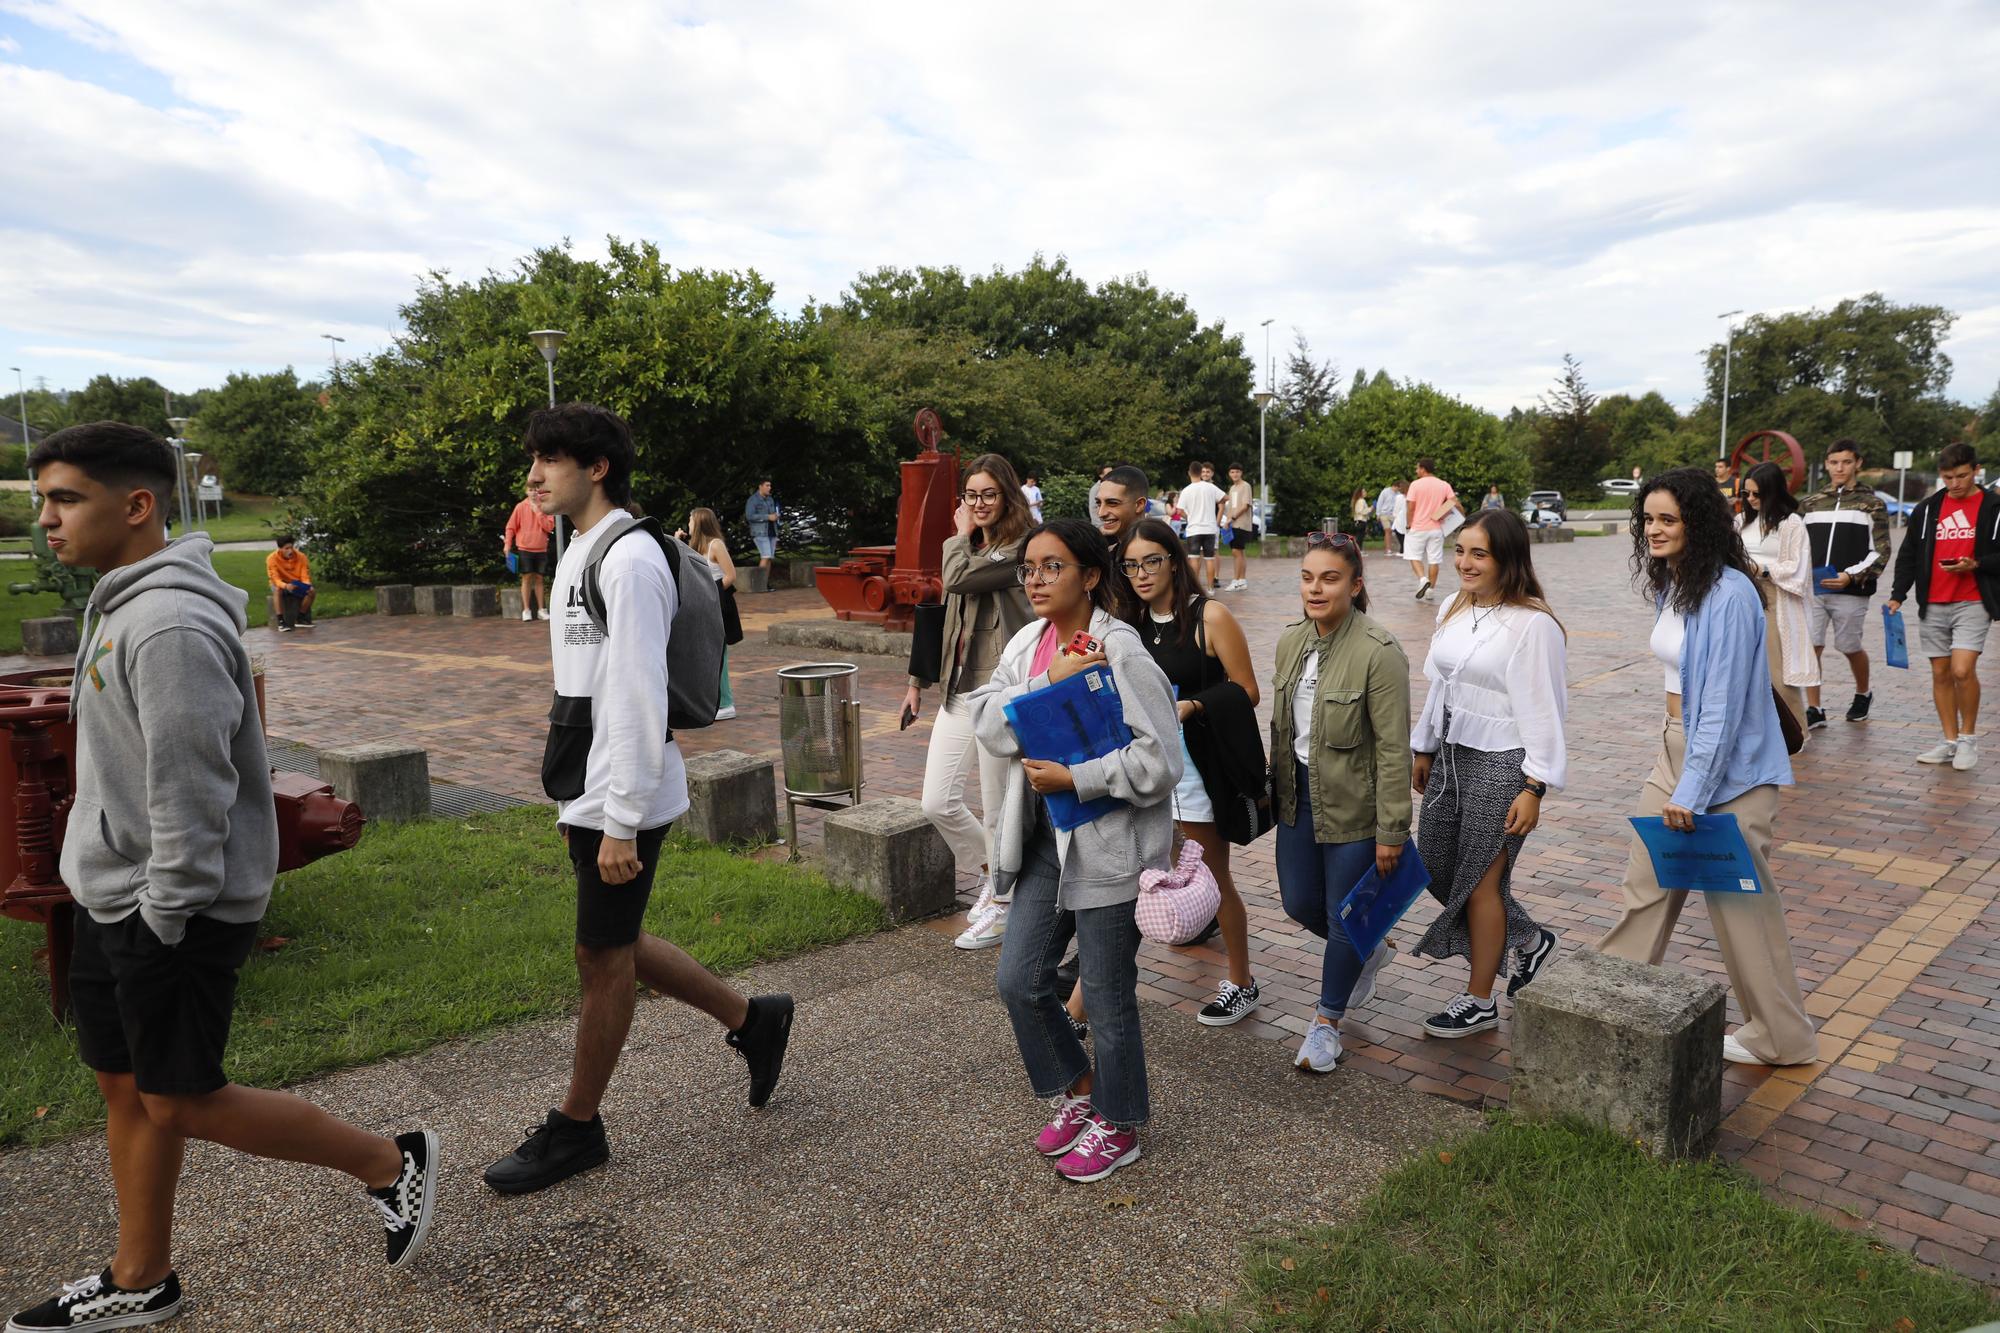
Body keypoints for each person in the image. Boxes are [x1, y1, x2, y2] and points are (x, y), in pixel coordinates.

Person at [9, 424, 439, 1333]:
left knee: (180, 1096)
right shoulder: (122, 602)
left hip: (168, 905)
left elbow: (193, 787)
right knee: (125, 1087)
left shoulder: (167, 624)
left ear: (137, 506)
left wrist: (163, 911)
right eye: (39, 499)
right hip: (110, 890)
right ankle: (141, 1276)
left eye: (64, 498)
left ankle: (386, 1161)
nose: (44, 518)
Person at [485, 404, 794, 1196]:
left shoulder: (627, 559)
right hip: (588, 777)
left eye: (550, 459)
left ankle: (577, 1128)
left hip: (620, 787)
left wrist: (619, 817)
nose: (533, 475)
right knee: (612, 941)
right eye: (534, 459)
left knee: (601, 953)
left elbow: (635, 692)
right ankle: (753, 1019)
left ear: (596, 467)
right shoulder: (580, 548)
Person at [967, 517, 1179, 1183]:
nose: (1034, 578)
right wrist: (1046, 681)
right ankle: (1084, 1090)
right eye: (1029, 567)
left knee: (1109, 996)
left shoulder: (1122, 651)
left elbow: (1162, 759)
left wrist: (1078, 778)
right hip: (1040, 840)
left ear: (1090, 575)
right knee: (1020, 980)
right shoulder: (1031, 643)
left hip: (1107, 847)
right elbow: (985, 720)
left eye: (1052, 566)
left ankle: (1120, 1123)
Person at [1597, 467, 1817, 1067]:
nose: (1655, 529)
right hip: (1677, 751)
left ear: (1699, 522)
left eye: (1668, 519)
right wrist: (1680, 773)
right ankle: (1603, 1005)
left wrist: (1692, 791)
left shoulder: (1729, 592)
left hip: (1734, 771)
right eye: (1648, 519)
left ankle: (1781, 1039)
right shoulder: (1680, 584)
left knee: (1743, 911)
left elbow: (1718, 707)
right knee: (1644, 886)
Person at [1408, 510, 1567, 1038]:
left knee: (1481, 880)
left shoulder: (1533, 623)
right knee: (1432, 861)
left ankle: (1479, 1001)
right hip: (1453, 750)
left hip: (1505, 759)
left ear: (1507, 558)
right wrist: (1425, 746)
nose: (1464, 563)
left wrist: (1534, 785)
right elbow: (1441, 686)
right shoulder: (1455, 606)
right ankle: (1528, 939)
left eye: (1479, 554)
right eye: (1460, 551)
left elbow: (1546, 707)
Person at [1269, 531, 1412, 1072]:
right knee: (1298, 904)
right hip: (1298, 796)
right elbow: (1284, 730)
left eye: (1329, 578)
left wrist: (1392, 830)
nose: (1315, 588)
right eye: (1307, 577)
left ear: (1355, 585)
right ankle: (1367, 948)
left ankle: (1326, 1023)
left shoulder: (1379, 652)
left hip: (1356, 805)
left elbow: (1395, 748)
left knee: (1343, 913)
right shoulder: (1290, 642)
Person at [1117, 519, 1266, 1025]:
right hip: (1146, 770)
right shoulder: (1129, 625)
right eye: (1131, 564)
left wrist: (1195, 706)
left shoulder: (1210, 616)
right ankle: (1091, 992)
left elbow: (1247, 689)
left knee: (1213, 875)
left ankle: (1243, 982)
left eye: (1151, 561)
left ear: (1175, 562)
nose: (1141, 573)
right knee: (1143, 873)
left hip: (1197, 771)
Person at [901, 454, 1035, 951]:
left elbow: (959, 578)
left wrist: (955, 536)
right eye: (971, 495)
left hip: (999, 694)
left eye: (988, 495)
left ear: (1008, 496)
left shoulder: (1021, 548)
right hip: (958, 690)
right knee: (937, 800)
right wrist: (918, 679)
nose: (978, 505)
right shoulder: (969, 546)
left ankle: (1001, 903)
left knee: (1000, 809)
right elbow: (942, 610)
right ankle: (996, 877)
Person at [1887, 441, 2000, 772]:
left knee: (1962, 670)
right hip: (1933, 600)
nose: (1956, 484)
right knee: (1940, 672)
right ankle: (1949, 741)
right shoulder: (1927, 509)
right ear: (1941, 475)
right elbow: (1908, 554)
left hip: (1973, 599)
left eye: (1962, 476)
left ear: (1976, 470)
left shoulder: (1994, 507)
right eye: (1949, 477)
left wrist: (1976, 564)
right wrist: (1898, 593)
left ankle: (1968, 738)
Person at [1800, 440, 1891, 728]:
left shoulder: (1872, 504)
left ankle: (1863, 693)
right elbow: (1798, 546)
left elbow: (1880, 550)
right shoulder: (1811, 504)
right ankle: (1814, 708)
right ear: (1826, 464)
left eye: (1846, 462)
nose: (1839, 468)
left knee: (1849, 645)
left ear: (1857, 463)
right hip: (1813, 589)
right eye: (1834, 462)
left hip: (1851, 590)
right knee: (1811, 646)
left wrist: (1850, 576)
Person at [1737, 462, 1819, 732]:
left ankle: (1794, 732)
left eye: (1756, 494)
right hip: (1742, 596)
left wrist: (1763, 569)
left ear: (1772, 492)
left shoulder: (1791, 524)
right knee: (1741, 665)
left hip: (1776, 599)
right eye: (1746, 494)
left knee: (1778, 670)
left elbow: (1799, 567)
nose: (1750, 500)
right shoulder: (1741, 521)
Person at [680, 508, 742, 721]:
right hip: (704, 607)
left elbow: (730, 575)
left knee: (719, 655)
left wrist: (711, 593)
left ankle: (726, 702)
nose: (688, 523)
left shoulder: (716, 544)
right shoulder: (695, 547)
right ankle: (713, 700)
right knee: (707, 656)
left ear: (699, 522)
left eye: (690, 519)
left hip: (719, 605)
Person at [504, 481, 556, 621]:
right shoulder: (520, 507)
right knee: (526, 578)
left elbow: (549, 527)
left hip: (541, 548)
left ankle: (541, 609)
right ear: (526, 491)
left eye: (536, 489)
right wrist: (507, 545)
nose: (533, 492)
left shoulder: (545, 506)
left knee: (540, 578)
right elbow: (510, 527)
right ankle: (526, 610)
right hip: (524, 548)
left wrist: (538, 512)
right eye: (530, 489)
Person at [1404, 458, 1456, 600]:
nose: (1416, 471)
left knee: (1413, 556)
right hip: (1436, 528)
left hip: (1418, 527)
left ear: (1423, 468)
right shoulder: (1443, 484)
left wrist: (1409, 524)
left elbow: (1411, 508)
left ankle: (1422, 579)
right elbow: (1453, 501)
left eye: (1417, 468)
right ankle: (1430, 591)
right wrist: (1439, 514)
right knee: (1434, 559)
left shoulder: (1415, 485)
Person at [1178, 460, 1225, 591]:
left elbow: (1179, 511)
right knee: (1210, 558)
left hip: (1194, 529)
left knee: (1194, 558)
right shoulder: (1210, 487)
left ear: (1189, 473)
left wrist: (1189, 517)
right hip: (1210, 528)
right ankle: (1210, 588)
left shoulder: (1186, 490)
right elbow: (1225, 497)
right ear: (1200, 472)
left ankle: (1194, 588)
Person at [264, 534, 315, 632]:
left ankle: (301, 617)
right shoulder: (271, 558)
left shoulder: (301, 557)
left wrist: (307, 586)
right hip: (281, 584)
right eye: (286, 548)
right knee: (277, 589)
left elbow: (305, 576)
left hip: (296, 583)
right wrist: (286, 586)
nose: (290, 551)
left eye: (291, 548)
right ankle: (281, 621)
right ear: (280, 549)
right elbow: (275, 579)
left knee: (312, 591)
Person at [1095, 465, 1149, 546]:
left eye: (1112, 503)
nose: (1101, 513)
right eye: (1098, 503)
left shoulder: (1159, 548)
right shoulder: (1103, 550)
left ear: (1139, 505)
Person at [1225, 463, 1255, 591]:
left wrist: (1232, 518)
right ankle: (1242, 581)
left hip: (1241, 524)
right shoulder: (1232, 488)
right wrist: (1227, 521)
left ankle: (1236, 581)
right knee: (1239, 552)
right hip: (1233, 524)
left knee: (1236, 552)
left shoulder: (1245, 486)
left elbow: (1245, 505)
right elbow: (1231, 507)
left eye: (1237, 471)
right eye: (1232, 472)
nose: (1234, 474)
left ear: (1241, 473)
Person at [744, 479, 779, 577]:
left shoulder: (770, 499)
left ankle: (765, 583)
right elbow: (749, 516)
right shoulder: (753, 500)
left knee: (769, 558)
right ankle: (758, 582)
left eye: (770, 485)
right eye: (767, 485)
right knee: (766, 556)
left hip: (772, 531)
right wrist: (768, 517)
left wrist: (775, 516)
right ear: (760, 486)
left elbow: (772, 514)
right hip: (760, 532)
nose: (769, 488)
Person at [1375, 482, 1399, 557]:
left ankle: (1391, 547)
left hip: (1393, 515)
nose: (1398, 489)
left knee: (1392, 531)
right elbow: (1379, 502)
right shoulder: (1385, 492)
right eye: (1398, 488)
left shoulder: (1398, 494)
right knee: (1387, 530)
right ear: (1394, 486)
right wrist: (1378, 514)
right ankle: (1388, 549)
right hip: (1384, 514)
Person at [1390, 482, 1410, 564]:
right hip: (1406, 516)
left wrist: (1394, 515)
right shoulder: (1409, 497)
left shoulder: (1399, 497)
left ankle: (1403, 550)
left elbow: (1396, 508)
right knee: (1404, 534)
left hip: (1400, 516)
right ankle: (1404, 549)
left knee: (1399, 533)